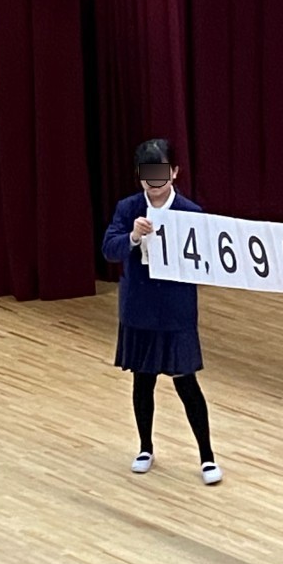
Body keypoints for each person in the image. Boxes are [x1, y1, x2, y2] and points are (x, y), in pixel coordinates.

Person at [102, 138, 222, 485]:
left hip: (175, 312)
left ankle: (207, 456)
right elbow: (109, 248)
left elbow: (207, 258)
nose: (155, 182)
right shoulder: (128, 208)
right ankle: (145, 447)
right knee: (143, 380)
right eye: (148, 174)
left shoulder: (191, 212)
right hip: (138, 309)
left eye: (161, 173)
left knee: (187, 383)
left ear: (175, 172)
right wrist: (133, 237)